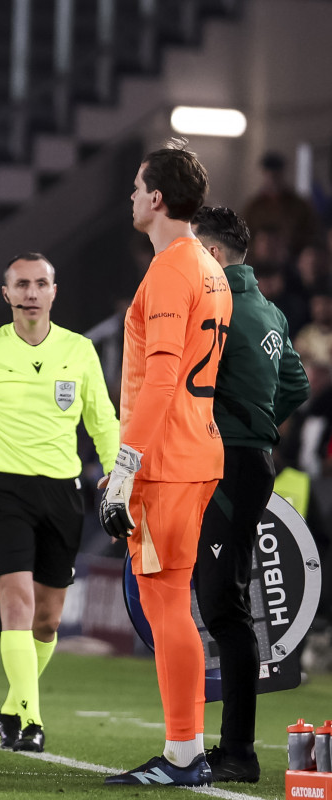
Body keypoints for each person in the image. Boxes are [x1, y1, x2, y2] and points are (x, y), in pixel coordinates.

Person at [0, 253, 119, 754]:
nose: (32, 293)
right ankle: (33, 721)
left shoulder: (80, 351)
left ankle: (12, 706)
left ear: (54, 292)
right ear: (7, 294)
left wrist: (119, 475)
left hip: (62, 494)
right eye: (22, 285)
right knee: (16, 605)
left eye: (41, 284)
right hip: (2, 492)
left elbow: (103, 422)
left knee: (48, 620)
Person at [102, 140, 233, 787]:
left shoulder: (169, 271)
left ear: (155, 198)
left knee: (164, 605)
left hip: (166, 459)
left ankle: (184, 753)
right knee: (170, 602)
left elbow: (158, 382)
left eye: (134, 187)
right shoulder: (210, 268)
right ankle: (187, 749)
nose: (129, 196)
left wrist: (124, 468)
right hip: (197, 450)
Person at [190, 206, 310, 782]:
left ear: (211, 255)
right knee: (222, 603)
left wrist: (239, 430)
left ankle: (237, 750)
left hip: (225, 466)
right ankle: (222, 745)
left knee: (224, 609)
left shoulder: (218, 306)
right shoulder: (270, 311)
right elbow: (298, 383)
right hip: (249, 461)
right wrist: (263, 425)